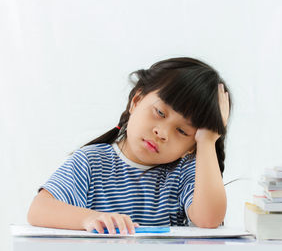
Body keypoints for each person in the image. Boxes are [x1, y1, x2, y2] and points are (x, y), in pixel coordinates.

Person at [27, 57, 232, 235]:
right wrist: (89, 218)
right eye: (160, 113)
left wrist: (207, 141)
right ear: (136, 100)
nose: (162, 133)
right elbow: (39, 210)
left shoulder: (184, 172)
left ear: (191, 146)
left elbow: (208, 220)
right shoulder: (91, 162)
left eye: (182, 131)